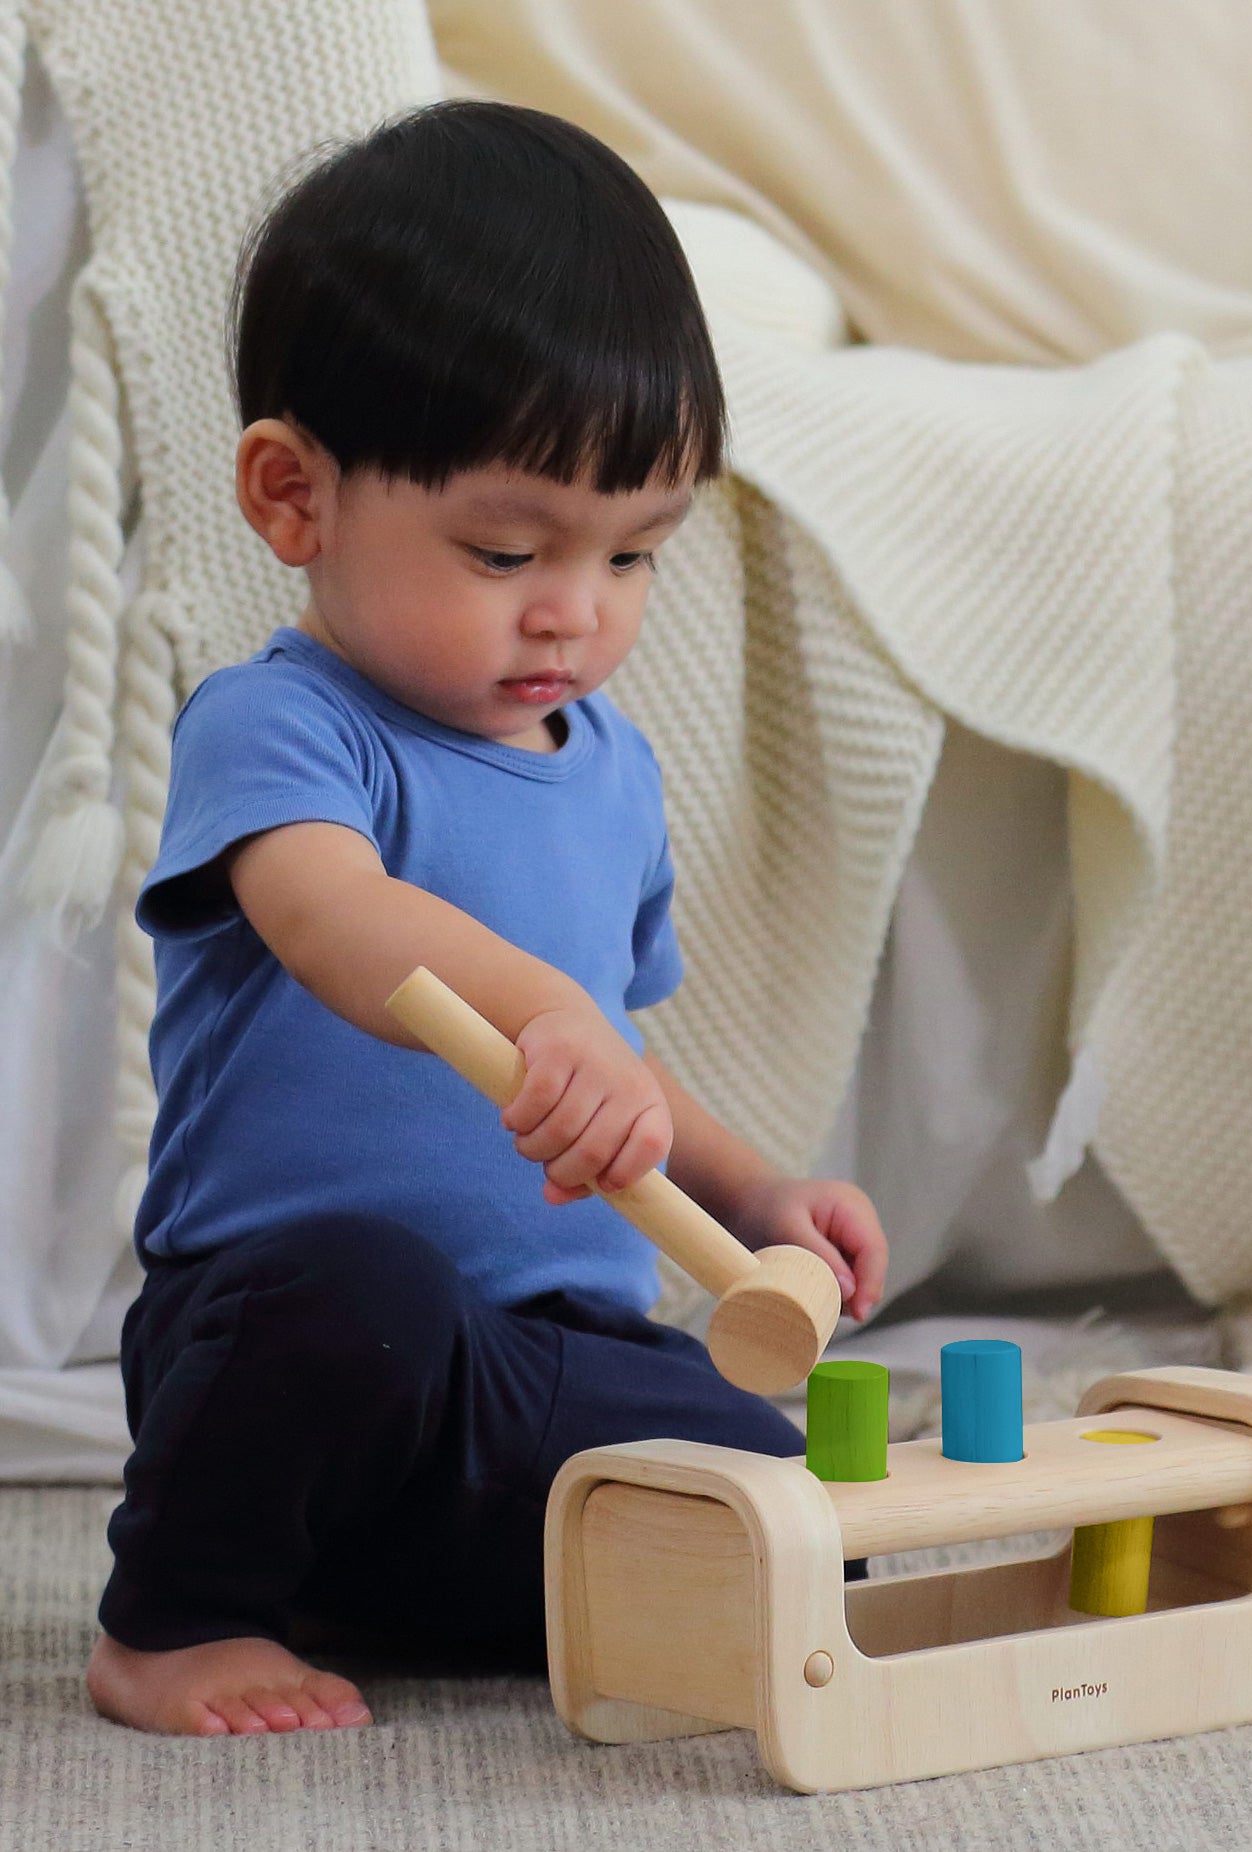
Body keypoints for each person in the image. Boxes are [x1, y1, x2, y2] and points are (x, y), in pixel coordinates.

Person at [85, 99, 889, 1739]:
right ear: (294, 497)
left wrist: (759, 1197)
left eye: (635, 554)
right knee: (352, 1299)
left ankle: (507, 1586)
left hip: (538, 1364)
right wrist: (543, 1008)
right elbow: (332, 916)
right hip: (305, 1355)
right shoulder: (285, 727)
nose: (576, 614)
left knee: (787, 1483)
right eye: (509, 546)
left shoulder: (609, 768)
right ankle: (180, 1618)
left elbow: (623, 1061)